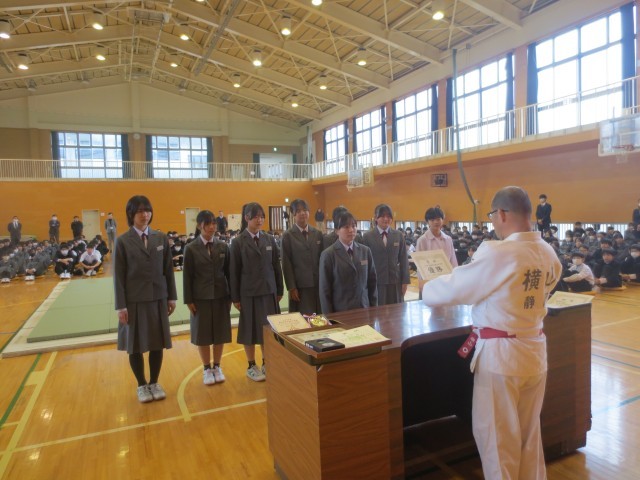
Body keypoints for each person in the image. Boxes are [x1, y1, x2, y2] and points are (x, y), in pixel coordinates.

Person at [421, 186, 561, 480]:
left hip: (502, 359)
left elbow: (456, 288)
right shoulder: (548, 252)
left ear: (502, 214)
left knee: (498, 441)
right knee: (529, 437)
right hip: (534, 352)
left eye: (492, 217)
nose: (493, 223)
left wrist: (427, 289)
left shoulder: (500, 253)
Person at [114, 195, 177, 403]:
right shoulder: (123, 241)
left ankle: (154, 382)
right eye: (140, 211)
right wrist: (121, 306)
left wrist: (171, 297)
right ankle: (141, 384)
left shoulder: (160, 238)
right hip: (133, 301)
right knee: (135, 345)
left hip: (158, 298)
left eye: (148, 210)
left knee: (157, 343)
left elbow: (168, 270)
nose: (145, 214)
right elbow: (118, 276)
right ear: (131, 214)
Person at [229, 202, 283, 382]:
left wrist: (279, 289)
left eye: (262, 217)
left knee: (268, 330)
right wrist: (235, 297)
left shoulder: (269, 239)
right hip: (248, 293)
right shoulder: (238, 242)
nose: (260, 220)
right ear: (247, 218)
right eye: (256, 217)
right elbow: (234, 272)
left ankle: (267, 362)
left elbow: (276, 266)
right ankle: (251, 365)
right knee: (250, 330)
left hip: (269, 291)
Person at [183, 210, 232, 386]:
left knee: (220, 333)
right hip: (200, 298)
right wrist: (189, 300)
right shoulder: (191, 248)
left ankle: (217, 366)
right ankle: (206, 368)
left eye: (214, 223)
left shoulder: (223, 246)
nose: (212, 227)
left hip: (221, 296)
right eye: (208, 224)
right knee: (202, 334)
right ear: (199, 226)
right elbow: (187, 277)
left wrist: (231, 297)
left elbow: (229, 273)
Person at [319, 211, 377, 314]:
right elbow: (325, 291)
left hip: (364, 310)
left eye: (353, 226)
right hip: (341, 312)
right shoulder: (328, 255)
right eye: (346, 227)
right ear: (337, 230)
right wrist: (330, 318)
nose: (351, 230)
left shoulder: (365, 251)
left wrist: (374, 310)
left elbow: (372, 283)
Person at [281, 199, 324, 315]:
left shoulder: (317, 234)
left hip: (317, 284)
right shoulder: (288, 236)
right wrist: (291, 287)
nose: (302, 213)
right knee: (302, 318)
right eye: (298, 211)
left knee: (319, 317)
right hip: (299, 287)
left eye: (305, 210)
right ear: (293, 214)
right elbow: (286, 264)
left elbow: (322, 259)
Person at [361, 204, 409, 305]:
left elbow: (404, 259)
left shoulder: (398, 235)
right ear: (376, 218)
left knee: (396, 310)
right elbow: (365, 262)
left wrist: (405, 281)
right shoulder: (367, 236)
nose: (386, 219)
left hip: (395, 281)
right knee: (378, 310)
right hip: (376, 281)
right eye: (382, 216)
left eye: (388, 216)